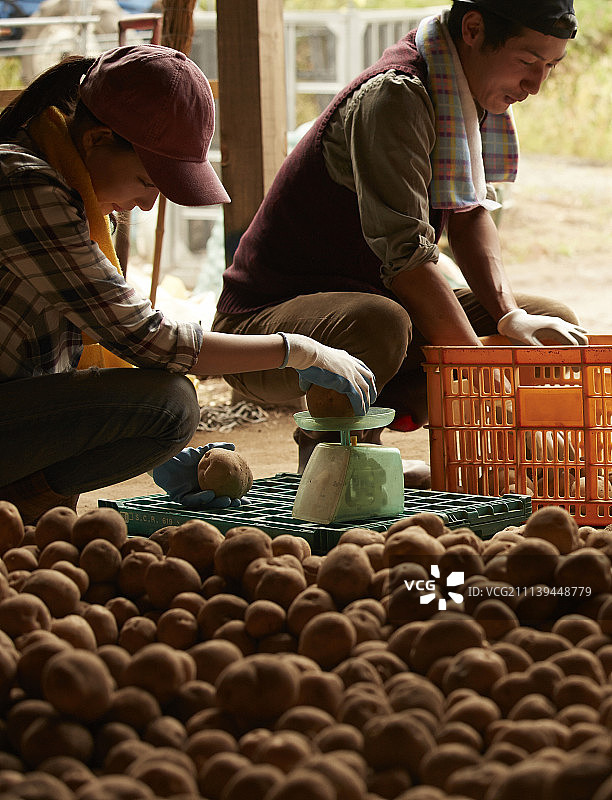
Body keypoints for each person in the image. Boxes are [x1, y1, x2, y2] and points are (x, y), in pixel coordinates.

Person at [212, 0, 587, 483]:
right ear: (473, 29)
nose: (536, 85)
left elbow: (470, 212)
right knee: (379, 324)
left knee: (554, 329)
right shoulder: (398, 96)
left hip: (377, 309)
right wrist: (498, 399)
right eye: (528, 62)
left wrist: (510, 316)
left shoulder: (467, 90)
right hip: (266, 329)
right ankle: (337, 464)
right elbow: (406, 260)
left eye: (550, 67)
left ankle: (471, 461)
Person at [0, 44, 376, 524]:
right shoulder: (25, 185)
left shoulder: (73, 191)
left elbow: (110, 334)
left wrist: (150, 453)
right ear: (95, 141)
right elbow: (147, 338)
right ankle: (19, 495)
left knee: (160, 403)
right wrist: (297, 350)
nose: (147, 206)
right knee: (170, 406)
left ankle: (25, 497)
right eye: (146, 182)